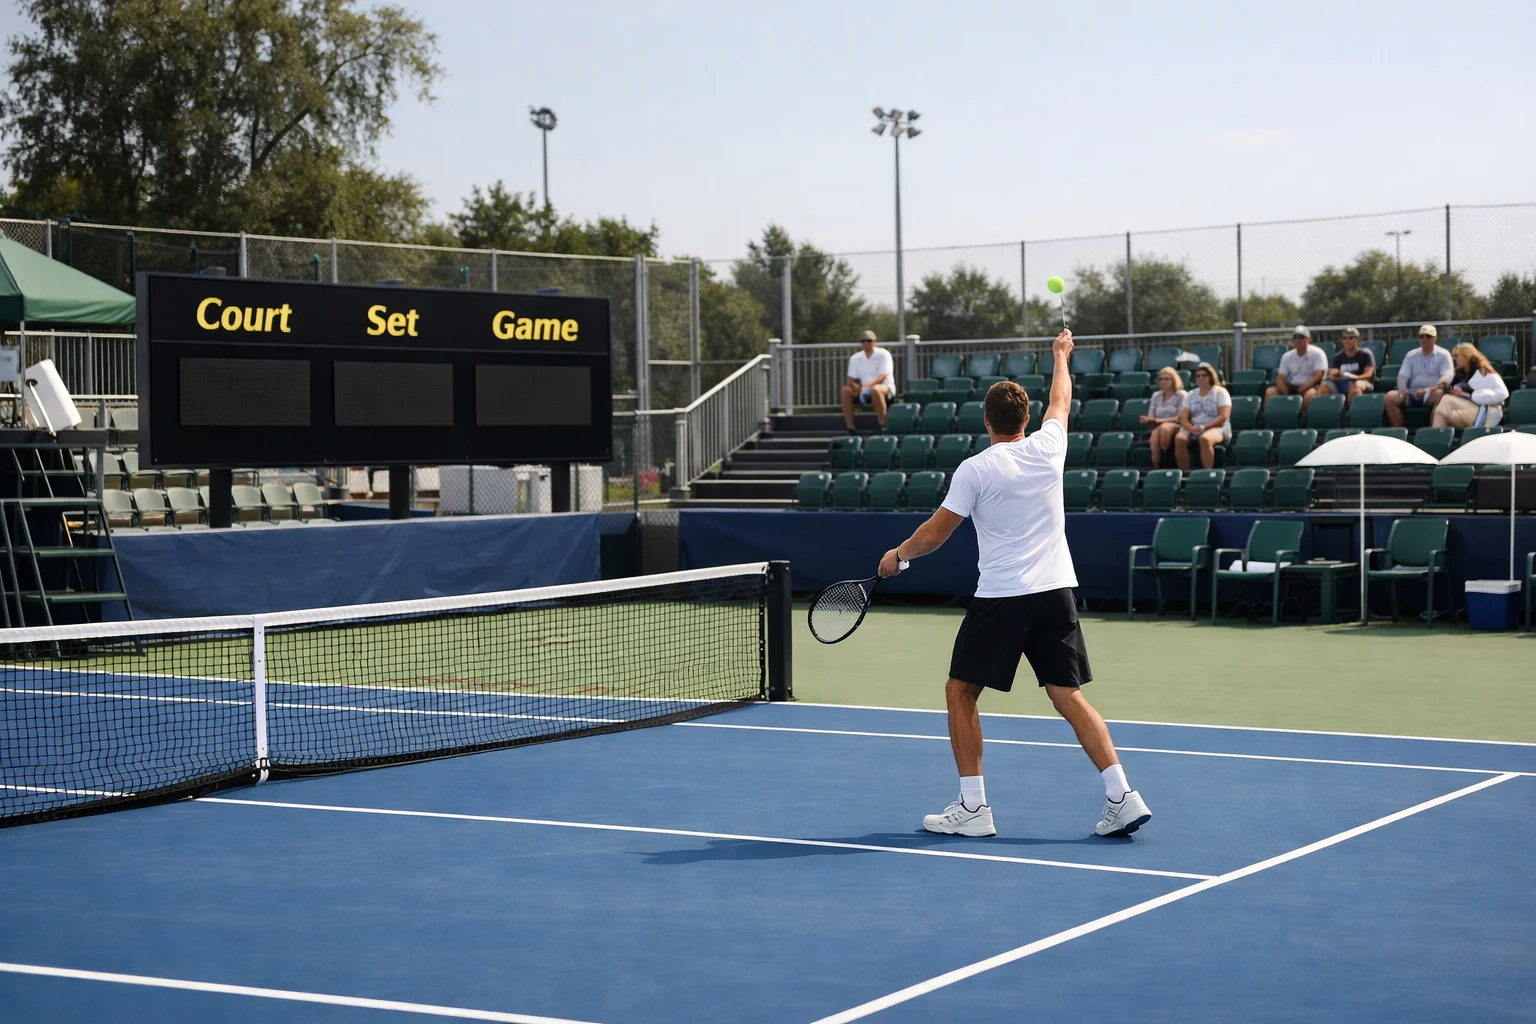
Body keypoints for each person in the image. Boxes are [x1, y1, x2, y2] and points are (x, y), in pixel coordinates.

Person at [875, 329, 1151, 840]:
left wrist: (898, 556)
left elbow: (935, 534)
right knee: (1068, 695)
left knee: (960, 691)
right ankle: (1123, 796)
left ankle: (973, 807)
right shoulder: (1050, 446)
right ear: (1026, 420)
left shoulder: (975, 469)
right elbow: (1061, 399)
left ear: (987, 421)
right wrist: (1061, 355)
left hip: (1003, 597)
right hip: (1056, 593)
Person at [1385, 325, 1454, 427]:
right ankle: (1400, 431)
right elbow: (1402, 376)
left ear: (1435, 338)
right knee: (1390, 397)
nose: (1424, 339)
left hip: (1431, 393)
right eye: (1421, 336)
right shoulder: (1411, 355)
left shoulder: (1444, 354)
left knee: (1441, 394)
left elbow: (1447, 377)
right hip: (1412, 392)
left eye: (1428, 336)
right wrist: (1403, 390)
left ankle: (1433, 430)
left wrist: (1427, 390)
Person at [1431, 343, 1509, 429]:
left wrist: (1470, 395)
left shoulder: (1484, 372)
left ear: (1466, 357)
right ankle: (1437, 433)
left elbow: (1503, 394)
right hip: (1471, 408)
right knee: (1449, 412)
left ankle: (1435, 433)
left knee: (1446, 400)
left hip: (1488, 412)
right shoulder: (1461, 372)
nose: (1455, 359)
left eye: (1457, 356)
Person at [1175, 363, 1232, 471]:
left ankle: (1207, 472)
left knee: (1205, 438)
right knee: (1179, 438)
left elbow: (1223, 416)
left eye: (1204, 375)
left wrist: (1204, 427)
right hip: (1194, 427)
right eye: (1198, 376)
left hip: (1217, 427)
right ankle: (1184, 472)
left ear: (1211, 377)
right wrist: (1191, 428)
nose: (1200, 378)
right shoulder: (1190, 394)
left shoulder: (1220, 392)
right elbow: (1183, 418)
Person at [840, 330, 895, 433]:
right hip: (864, 389)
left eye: (869, 341)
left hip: (885, 387)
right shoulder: (855, 358)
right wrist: (855, 386)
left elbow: (882, 377)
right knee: (845, 391)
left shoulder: (883, 354)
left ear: (874, 342)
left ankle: (883, 424)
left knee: (876, 389)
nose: (866, 343)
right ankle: (850, 427)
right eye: (863, 341)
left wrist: (865, 386)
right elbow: (850, 380)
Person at [1264, 326, 1327, 413]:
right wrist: (1283, 389)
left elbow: (1319, 376)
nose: (1298, 340)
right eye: (1295, 338)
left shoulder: (1317, 353)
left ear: (1308, 339)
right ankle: (1268, 418)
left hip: (1311, 386)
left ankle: (1304, 418)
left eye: (1301, 337)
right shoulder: (1287, 356)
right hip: (1292, 386)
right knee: (1270, 392)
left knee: (1310, 395)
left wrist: (1304, 387)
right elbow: (1280, 378)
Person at [1141, 367, 1186, 469]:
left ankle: (1165, 462)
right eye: (1160, 379)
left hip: (1178, 426)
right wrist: (1147, 420)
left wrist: (1157, 420)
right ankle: (1158, 465)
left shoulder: (1181, 395)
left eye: (1166, 379)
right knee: (1156, 434)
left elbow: (1180, 418)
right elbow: (1151, 415)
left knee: (1164, 428)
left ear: (1173, 380)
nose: (1162, 382)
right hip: (1158, 427)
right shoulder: (1156, 395)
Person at [1322, 327, 1375, 402]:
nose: (1347, 340)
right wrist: (1339, 374)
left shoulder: (1365, 354)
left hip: (1362, 381)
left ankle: (1353, 409)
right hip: (1342, 382)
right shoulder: (1338, 356)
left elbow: (1369, 374)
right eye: (1344, 338)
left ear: (1358, 339)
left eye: (1351, 338)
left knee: (1355, 387)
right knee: (1324, 387)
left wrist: (1356, 377)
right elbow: (1332, 374)